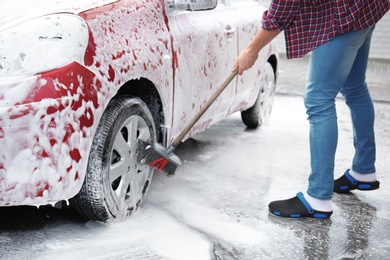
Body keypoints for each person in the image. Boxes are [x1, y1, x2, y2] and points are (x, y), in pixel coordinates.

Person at [232, 0, 390, 219]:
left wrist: (252, 49)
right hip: (366, 7)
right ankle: (364, 170)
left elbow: (284, 8)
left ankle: (318, 198)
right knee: (354, 86)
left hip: (344, 14)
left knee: (318, 99)